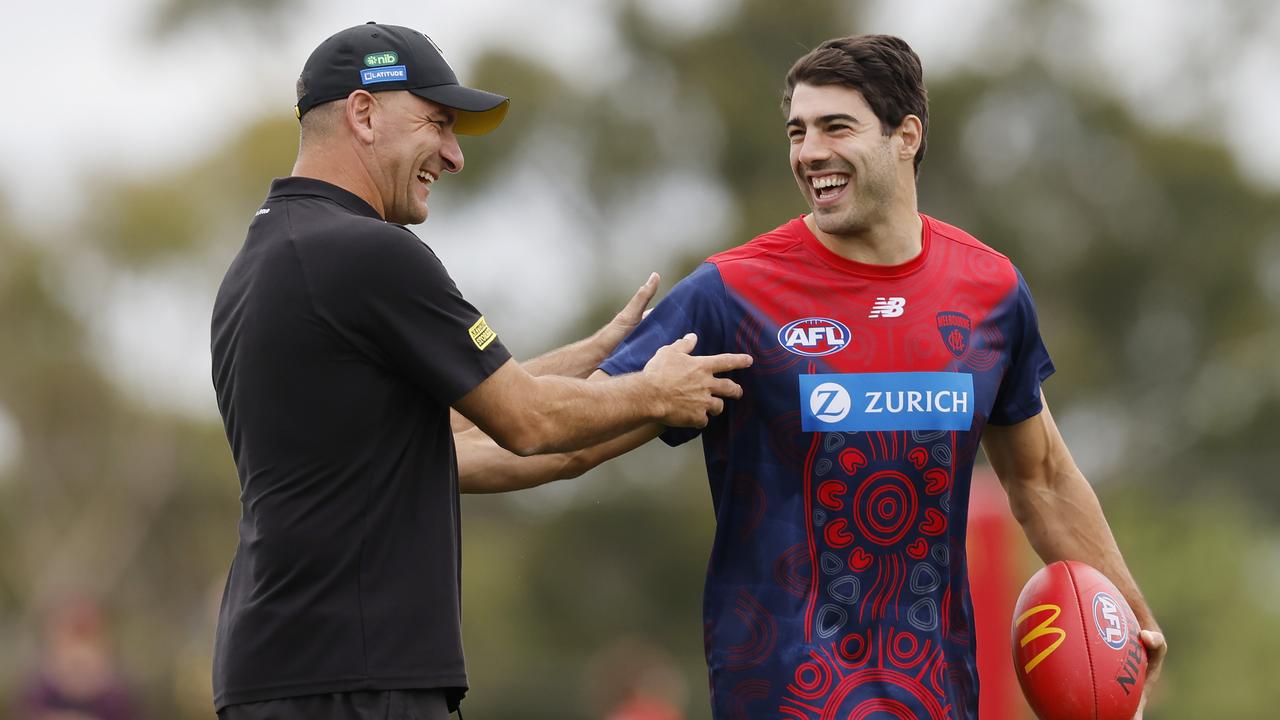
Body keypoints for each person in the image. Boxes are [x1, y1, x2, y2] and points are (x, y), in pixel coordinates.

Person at [455, 35, 1167, 719]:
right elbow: (565, 438)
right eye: (797, 131)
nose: (810, 152)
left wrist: (1128, 618)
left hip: (937, 698)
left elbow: (1040, 478)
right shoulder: (731, 295)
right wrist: (390, 464)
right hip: (783, 698)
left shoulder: (989, 291)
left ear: (907, 136)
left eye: (835, 127)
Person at [208, 22, 752, 720]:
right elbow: (528, 422)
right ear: (364, 113)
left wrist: (593, 358)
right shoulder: (369, 254)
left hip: (283, 673)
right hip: (355, 684)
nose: (454, 155)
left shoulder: (266, 257)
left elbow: (447, 427)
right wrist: (655, 390)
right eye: (437, 123)